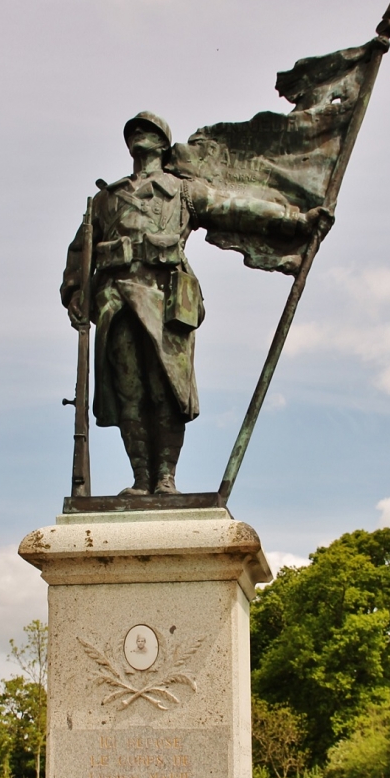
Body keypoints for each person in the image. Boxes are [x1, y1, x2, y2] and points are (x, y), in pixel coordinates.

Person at [61, 111, 327, 495]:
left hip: (165, 298)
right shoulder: (106, 199)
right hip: (115, 301)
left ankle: (166, 478)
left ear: (164, 143)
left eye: (149, 130)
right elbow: (80, 251)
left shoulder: (183, 191)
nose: (139, 134)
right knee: (128, 392)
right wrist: (74, 291)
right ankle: (141, 480)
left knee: (166, 388)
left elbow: (236, 208)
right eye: (133, 130)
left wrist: (296, 220)